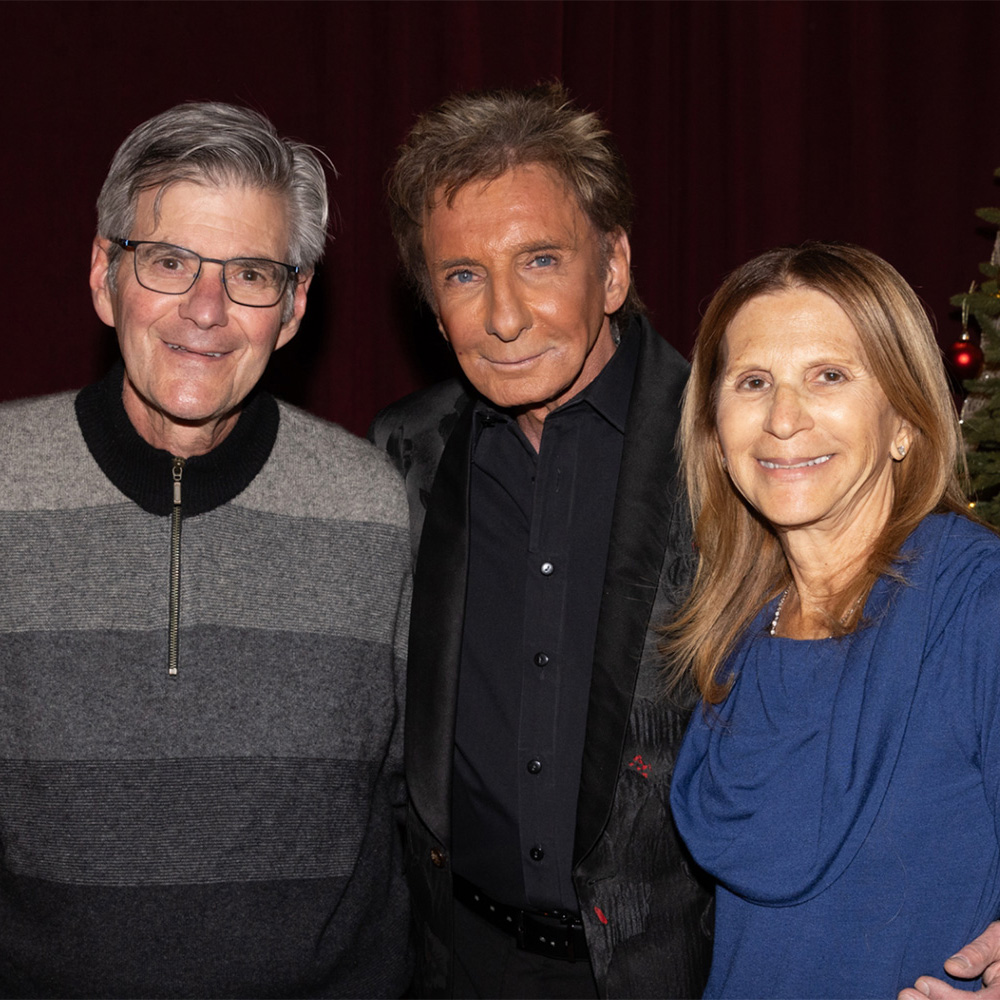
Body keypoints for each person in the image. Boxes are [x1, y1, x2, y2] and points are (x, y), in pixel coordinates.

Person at [0, 102, 411, 998]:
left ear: (294, 307)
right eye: (170, 261)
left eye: (252, 273)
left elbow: (407, 802)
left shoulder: (374, 512)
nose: (206, 309)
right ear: (106, 277)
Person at [369, 83, 712, 998]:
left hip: (670, 974)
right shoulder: (398, 455)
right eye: (464, 276)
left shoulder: (731, 445)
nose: (505, 317)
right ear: (433, 303)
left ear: (612, 269)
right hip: (458, 963)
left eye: (542, 260)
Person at [666, 241, 1000, 998]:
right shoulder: (745, 628)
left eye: (829, 375)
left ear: (904, 422)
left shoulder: (981, 604)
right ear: (717, 436)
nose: (784, 418)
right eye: (753, 382)